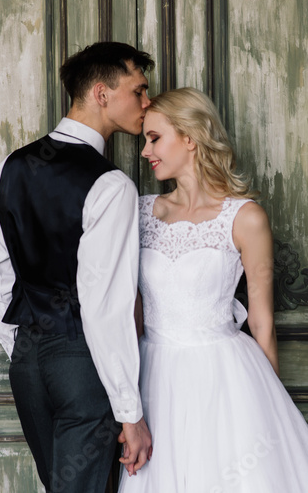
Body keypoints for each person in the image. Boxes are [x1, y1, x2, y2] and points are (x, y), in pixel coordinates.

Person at [0, 41, 155, 493]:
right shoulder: (111, 185)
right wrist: (130, 414)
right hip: (83, 362)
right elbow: (105, 307)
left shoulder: (12, 166)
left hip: (29, 364)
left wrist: (24, 344)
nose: (146, 102)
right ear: (101, 93)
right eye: (139, 90)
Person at [118, 87, 308, 492]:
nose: (144, 151)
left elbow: (261, 320)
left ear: (190, 137)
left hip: (226, 376)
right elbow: (127, 310)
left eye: (154, 138)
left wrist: (268, 402)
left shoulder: (245, 217)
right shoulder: (140, 211)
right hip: (154, 376)